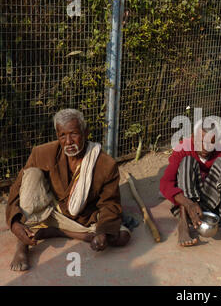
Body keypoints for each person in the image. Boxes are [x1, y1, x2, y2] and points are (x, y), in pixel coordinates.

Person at [6, 109, 130, 271]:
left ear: (86, 132)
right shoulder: (42, 153)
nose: (68, 141)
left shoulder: (105, 164)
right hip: (51, 211)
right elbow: (17, 189)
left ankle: (58, 232)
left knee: (122, 236)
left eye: (74, 134)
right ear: (57, 136)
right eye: (62, 136)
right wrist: (15, 223)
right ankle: (22, 245)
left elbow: (110, 203)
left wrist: (102, 232)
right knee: (31, 174)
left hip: (84, 218)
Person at [159, 119, 221, 247]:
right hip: (186, 206)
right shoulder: (182, 148)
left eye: (211, 143)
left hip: (213, 204)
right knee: (187, 162)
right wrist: (189, 204)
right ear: (193, 138)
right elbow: (165, 184)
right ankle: (184, 225)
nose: (205, 148)